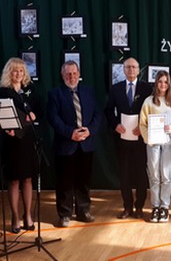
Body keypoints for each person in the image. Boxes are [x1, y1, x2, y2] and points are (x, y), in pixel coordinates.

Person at [47, 60, 101, 227]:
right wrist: (70, 133)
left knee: (83, 180)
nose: (72, 76)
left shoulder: (88, 91)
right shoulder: (55, 93)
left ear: (79, 74)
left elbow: (97, 115)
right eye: (68, 73)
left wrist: (89, 130)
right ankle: (64, 214)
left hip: (86, 143)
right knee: (64, 181)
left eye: (74, 73)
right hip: (65, 144)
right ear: (63, 75)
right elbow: (53, 118)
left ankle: (84, 211)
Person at [105, 57, 152, 219]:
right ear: (123, 70)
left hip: (141, 138)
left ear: (139, 70)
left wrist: (144, 126)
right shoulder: (116, 88)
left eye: (134, 67)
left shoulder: (147, 89)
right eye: (128, 67)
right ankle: (127, 207)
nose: (131, 70)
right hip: (122, 138)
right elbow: (109, 110)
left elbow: (152, 111)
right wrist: (115, 125)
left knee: (140, 174)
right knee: (124, 174)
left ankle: (139, 206)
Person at [0, 58, 41, 233]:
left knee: (28, 178)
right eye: (15, 71)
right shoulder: (3, 92)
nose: (18, 74)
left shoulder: (29, 90)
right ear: (9, 72)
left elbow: (39, 110)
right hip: (11, 141)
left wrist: (33, 115)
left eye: (21, 71)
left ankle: (28, 216)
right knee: (14, 179)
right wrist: (6, 128)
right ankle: (15, 217)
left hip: (28, 140)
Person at [139, 71, 171, 223]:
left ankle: (165, 207)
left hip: (168, 144)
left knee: (165, 175)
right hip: (153, 144)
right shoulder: (149, 102)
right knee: (154, 176)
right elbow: (142, 124)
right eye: (160, 81)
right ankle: (155, 207)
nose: (163, 84)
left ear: (169, 84)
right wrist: (148, 137)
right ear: (156, 83)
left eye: (165, 82)